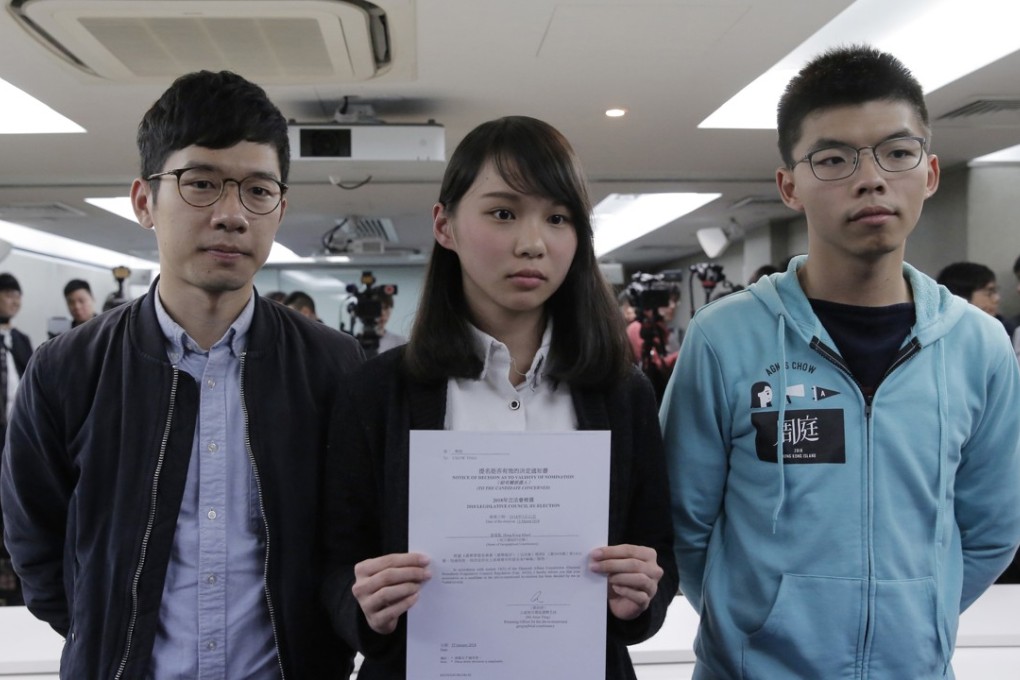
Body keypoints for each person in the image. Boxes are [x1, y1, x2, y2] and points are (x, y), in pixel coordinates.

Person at [660, 45, 1020, 679]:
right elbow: (683, 526)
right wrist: (757, 622)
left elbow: (992, 526)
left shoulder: (979, 345)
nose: (871, 178)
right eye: (833, 159)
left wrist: (911, 618)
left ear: (930, 173)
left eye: (897, 153)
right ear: (789, 185)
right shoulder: (725, 340)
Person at [0, 70, 364, 678]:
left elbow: (350, 538)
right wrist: (107, 631)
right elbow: (35, 545)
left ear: (280, 208)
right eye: (200, 185)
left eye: (257, 190)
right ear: (145, 201)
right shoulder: (68, 368)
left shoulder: (333, 366)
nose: (231, 214)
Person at [321, 115, 678, 679]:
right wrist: (365, 603)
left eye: (558, 218)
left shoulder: (620, 393)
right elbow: (335, 562)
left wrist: (641, 597)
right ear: (445, 225)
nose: (532, 243)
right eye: (503, 213)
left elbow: (657, 553)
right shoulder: (379, 391)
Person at [0, 272, 32, 606]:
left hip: (14, 440)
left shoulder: (21, 340)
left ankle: (15, 585)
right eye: (7, 294)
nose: (14, 300)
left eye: (16, 294)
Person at [936, 261, 1015, 336]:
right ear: (961, 296)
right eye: (989, 292)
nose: (997, 298)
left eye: (995, 291)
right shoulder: (936, 332)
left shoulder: (1007, 330)